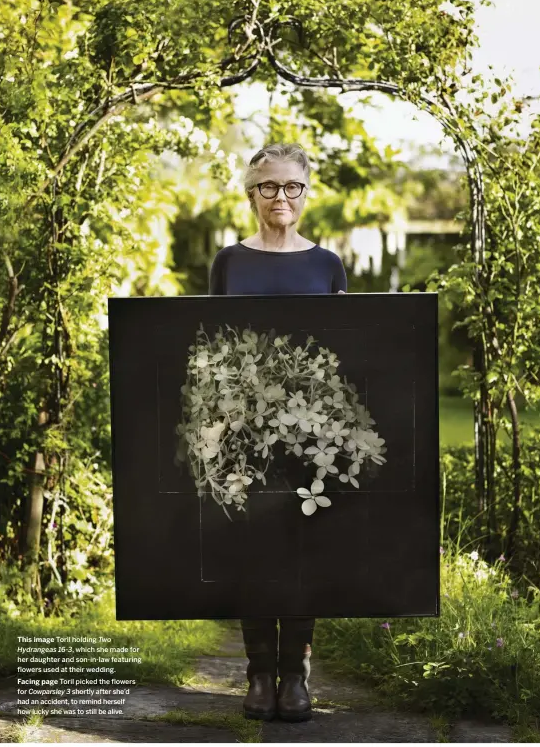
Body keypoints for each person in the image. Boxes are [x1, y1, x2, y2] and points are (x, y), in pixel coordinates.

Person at [208, 142, 347, 722]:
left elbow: (343, 351)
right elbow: (209, 346)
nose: (280, 197)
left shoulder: (327, 264)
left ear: (306, 193)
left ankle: (296, 678)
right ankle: (259, 673)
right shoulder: (228, 262)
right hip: (243, 430)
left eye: (292, 186)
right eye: (269, 187)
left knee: (302, 548)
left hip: (311, 432)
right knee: (252, 546)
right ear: (251, 195)